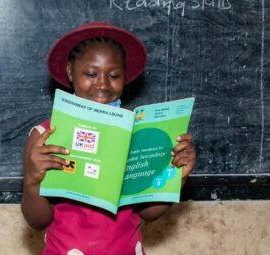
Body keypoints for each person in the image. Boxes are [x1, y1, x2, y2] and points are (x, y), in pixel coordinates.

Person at [21, 22, 196, 255]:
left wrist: (177, 178)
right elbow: (37, 221)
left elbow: (149, 214)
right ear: (71, 71)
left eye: (114, 75)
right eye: (91, 74)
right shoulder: (45, 136)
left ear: (125, 77)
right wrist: (32, 183)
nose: (103, 84)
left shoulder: (137, 135)